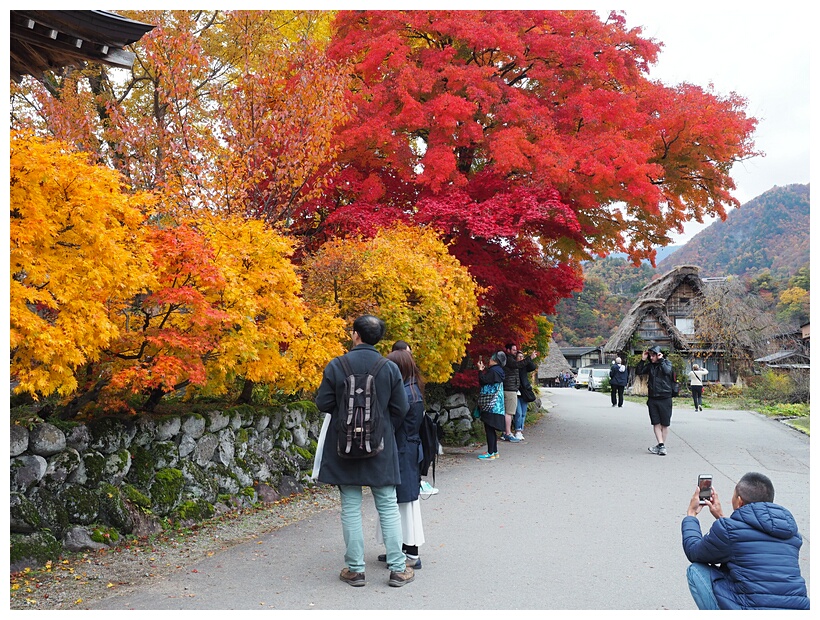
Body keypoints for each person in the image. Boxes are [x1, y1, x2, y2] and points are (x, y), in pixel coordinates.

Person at [314, 314, 415, 588]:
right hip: (380, 449)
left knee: (350, 507)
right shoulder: (389, 368)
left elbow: (323, 402)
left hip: (343, 447)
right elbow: (401, 408)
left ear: (355, 334)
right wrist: (381, 429)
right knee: (387, 506)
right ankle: (397, 568)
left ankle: (356, 570)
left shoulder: (337, 365)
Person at [681, 472, 809, 610]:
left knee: (696, 570)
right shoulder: (792, 535)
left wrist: (691, 515)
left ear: (739, 501)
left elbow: (694, 551)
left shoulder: (729, 530)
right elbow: (745, 540)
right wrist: (722, 517)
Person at [375, 348, 426, 570]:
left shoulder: (404, 394)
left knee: (401, 502)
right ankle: (400, 549)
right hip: (410, 449)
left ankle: (410, 553)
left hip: (402, 450)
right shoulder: (414, 390)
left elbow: (392, 424)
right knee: (402, 501)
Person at [634, 345, 674, 456]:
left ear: (658, 355)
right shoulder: (650, 366)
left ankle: (661, 446)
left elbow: (667, 372)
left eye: (653, 355)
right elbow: (639, 371)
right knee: (656, 422)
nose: (651, 358)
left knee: (665, 424)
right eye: (650, 356)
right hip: (653, 398)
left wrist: (661, 360)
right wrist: (642, 360)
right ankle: (661, 445)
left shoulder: (667, 363)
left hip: (665, 397)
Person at [476, 351, 507, 460]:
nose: (489, 360)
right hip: (498, 405)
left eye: (491, 359)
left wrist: (480, 371)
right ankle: (494, 451)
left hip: (490, 404)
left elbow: (483, 381)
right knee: (492, 429)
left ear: (495, 360)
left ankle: (490, 453)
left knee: (489, 429)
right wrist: (484, 370)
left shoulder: (493, 371)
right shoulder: (499, 371)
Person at [513, 350, 538, 440]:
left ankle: (520, 430)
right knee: (518, 413)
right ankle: (517, 430)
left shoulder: (524, 366)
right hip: (515, 391)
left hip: (525, 392)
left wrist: (530, 359)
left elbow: (532, 367)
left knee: (523, 413)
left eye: (522, 357)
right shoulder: (513, 366)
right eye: (519, 357)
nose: (521, 358)